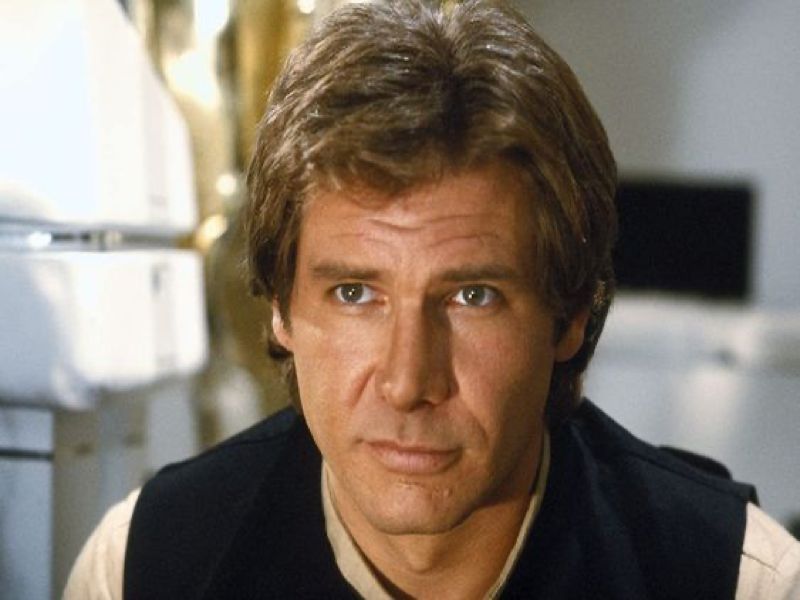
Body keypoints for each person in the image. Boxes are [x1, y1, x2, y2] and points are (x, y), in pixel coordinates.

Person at [65, 1, 800, 598]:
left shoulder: (739, 580)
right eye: (355, 293)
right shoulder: (143, 568)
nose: (409, 381)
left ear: (570, 314)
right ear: (280, 309)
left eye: (473, 295)